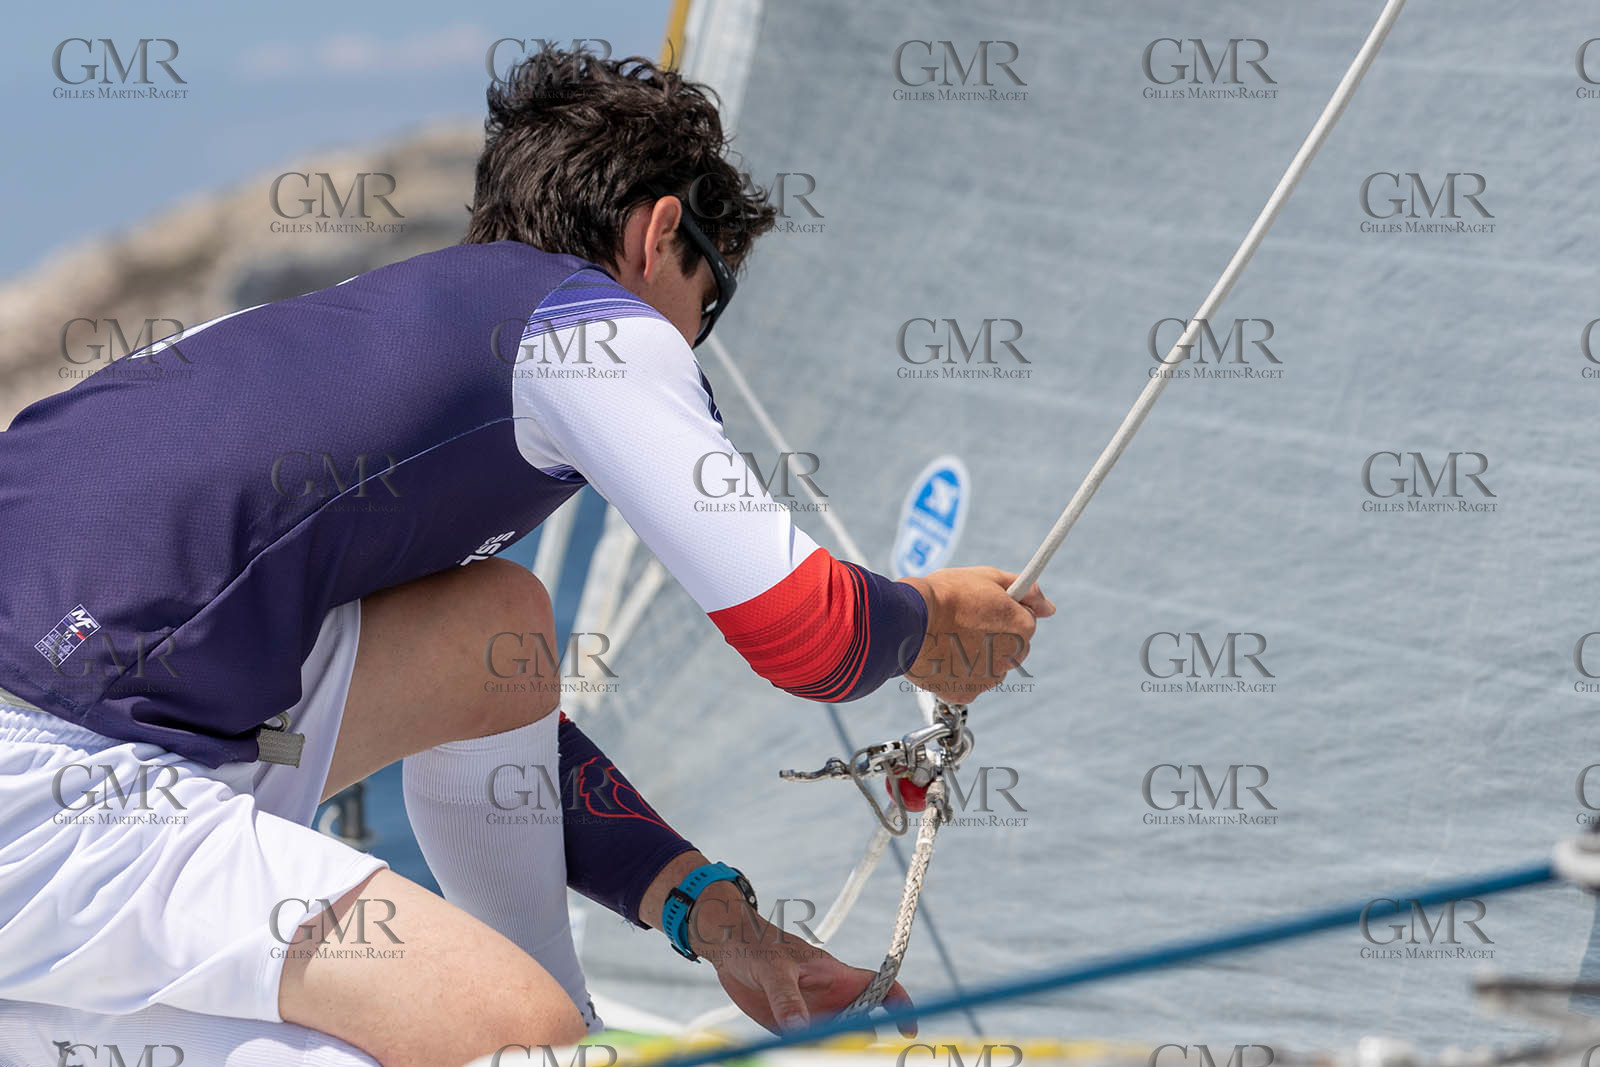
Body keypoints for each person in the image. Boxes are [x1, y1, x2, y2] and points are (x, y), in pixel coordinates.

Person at [0, 47, 1052, 1066]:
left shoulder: (348, 333)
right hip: (54, 778)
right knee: (509, 1033)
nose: (693, 341)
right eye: (710, 302)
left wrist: (726, 923)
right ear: (659, 234)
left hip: (96, 736)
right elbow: (810, 634)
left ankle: (564, 1025)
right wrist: (933, 622)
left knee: (492, 631)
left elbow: (501, 712)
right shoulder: (594, 327)